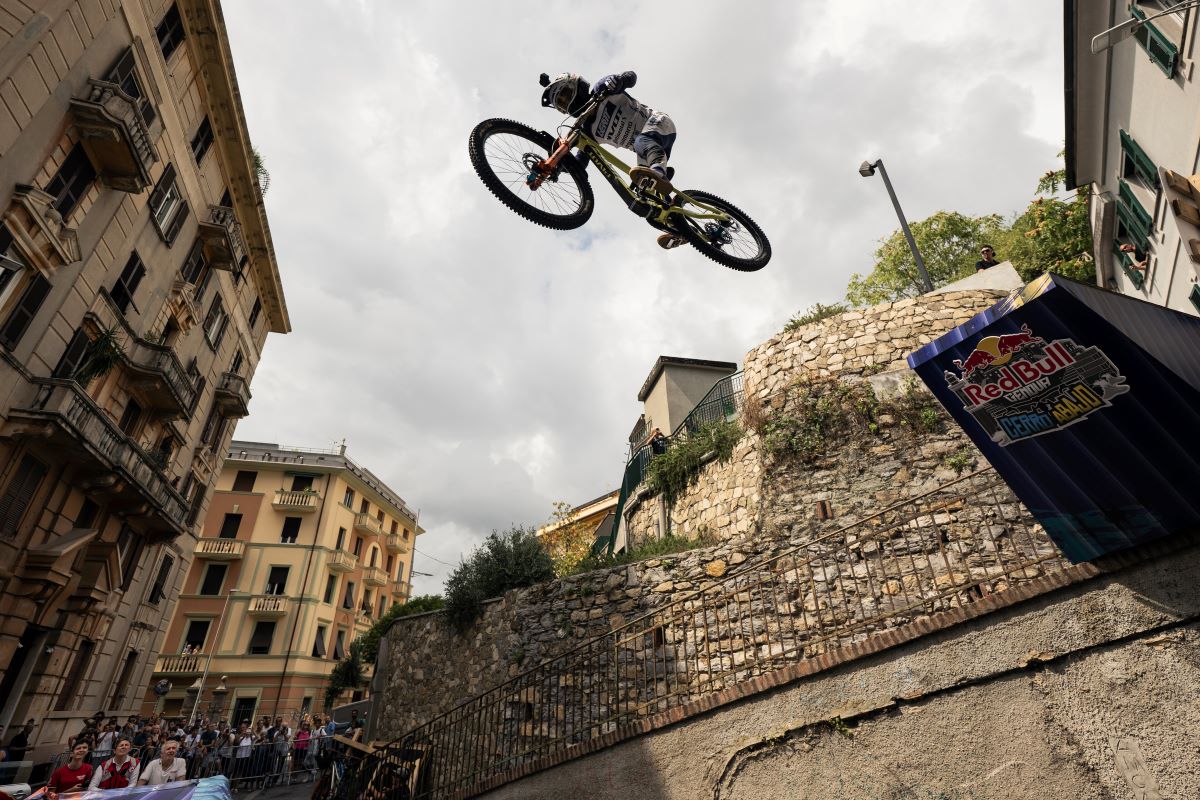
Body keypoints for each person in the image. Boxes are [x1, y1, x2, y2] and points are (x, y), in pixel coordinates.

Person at [541, 70, 684, 251]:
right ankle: (680, 229)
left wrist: (619, 80)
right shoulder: (587, 131)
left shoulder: (601, 90)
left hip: (657, 123)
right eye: (562, 104)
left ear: (577, 85)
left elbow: (631, 77)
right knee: (642, 199)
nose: (567, 103)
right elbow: (580, 164)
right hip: (646, 151)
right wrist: (558, 167)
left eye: (565, 95)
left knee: (642, 142)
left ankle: (659, 173)